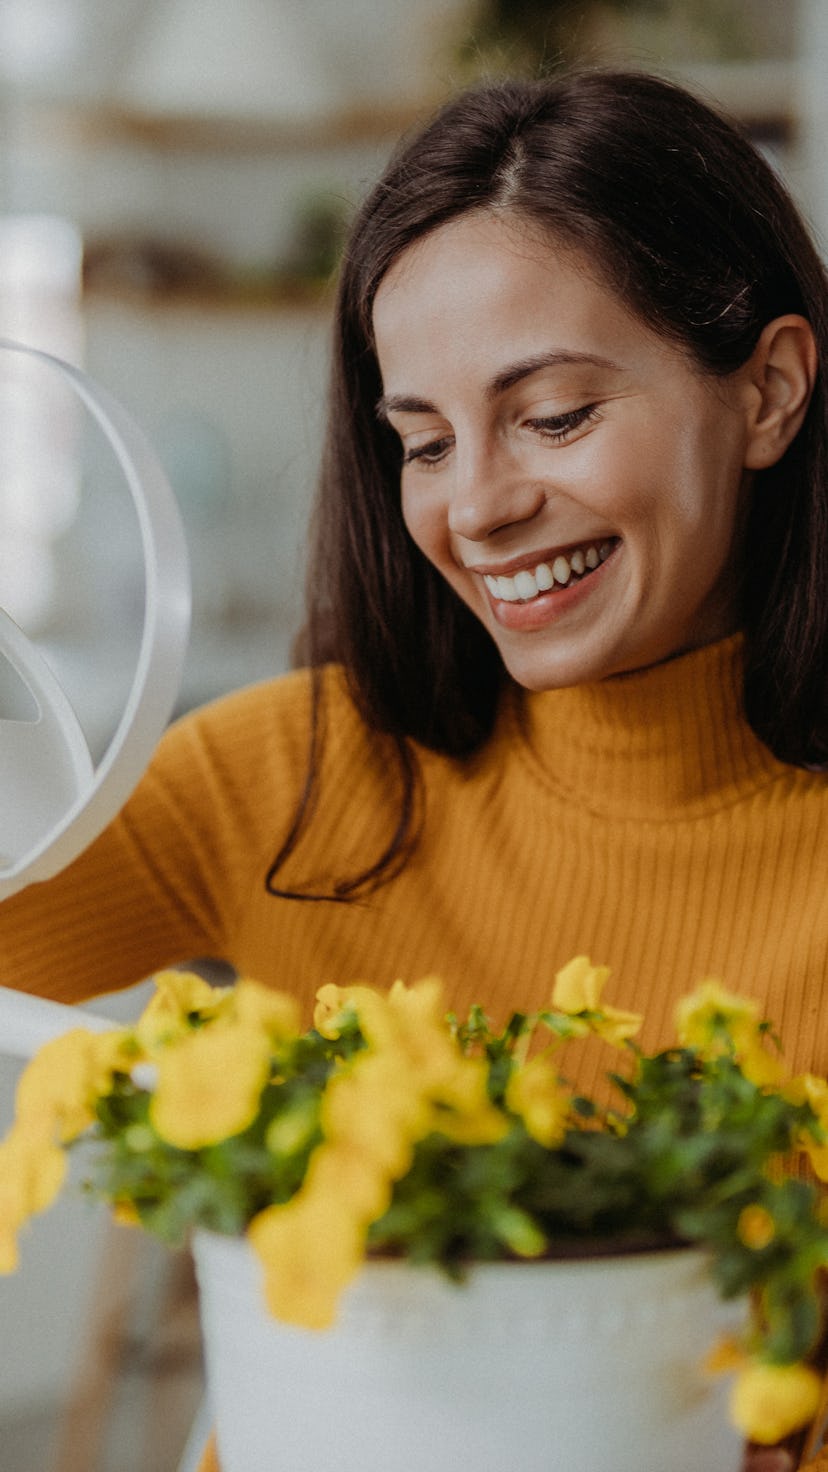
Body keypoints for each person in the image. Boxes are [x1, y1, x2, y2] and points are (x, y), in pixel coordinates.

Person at [2, 68, 828, 1471]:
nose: (479, 506)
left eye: (556, 415)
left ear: (768, 390)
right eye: (423, 443)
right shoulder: (293, 777)